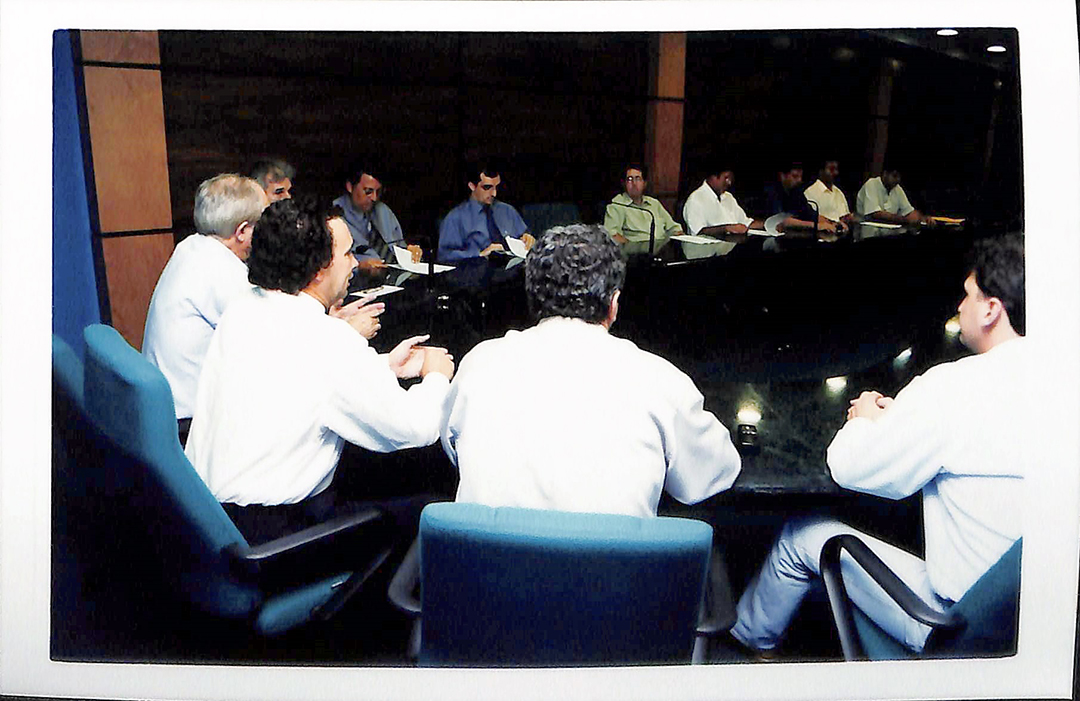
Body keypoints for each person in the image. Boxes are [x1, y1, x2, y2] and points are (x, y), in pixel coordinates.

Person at [730, 233, 1026, 656]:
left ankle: (743, 645)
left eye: (968, 295)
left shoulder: (955, 386)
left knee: (801, 535)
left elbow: (849, 466)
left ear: (991, 310)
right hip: (1030, 627)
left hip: (957, 626)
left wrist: (865, 422)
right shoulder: (1063, 383)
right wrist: (905, 421)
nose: (960, 306)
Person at [184, 197, 455, 545]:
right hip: (277, 536)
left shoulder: (242, 311)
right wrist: (435, 375)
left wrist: (383, 365)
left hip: (209, 521)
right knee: (433, 508)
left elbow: (290, 379)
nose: (355, 263)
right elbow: (414, 429)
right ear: (317, 270)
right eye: (347, 254)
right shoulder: (328, 340)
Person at [441, 223, 742, 518]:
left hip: (484, 553)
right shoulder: (661, 380)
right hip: (619, 554)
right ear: (614, 304)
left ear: (532, 297)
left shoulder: (479, 364)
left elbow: (453, 449)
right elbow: (712, 474)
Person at [142, 174, 269, 429]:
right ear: (242, 231)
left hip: (164, 412)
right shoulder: (221, 271)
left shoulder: (190, 247)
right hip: (188, 426)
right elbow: (273, 341)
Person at [437, 163, 535, 263]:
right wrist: (479, 254)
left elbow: (525, 236)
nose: (494, 193)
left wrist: (528, 239)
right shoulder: (455, 218)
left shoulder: (507, 211)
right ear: (472, 186)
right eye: (487, 187)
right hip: (476, 269)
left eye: (496, 187)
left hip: (515, 268)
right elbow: (444, 255)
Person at [333, 162, 422, 271]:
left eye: (378, 192)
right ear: (350, 187)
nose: (374, 198)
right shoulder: (334, 217)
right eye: (368, 191)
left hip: (397, 274)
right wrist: (359, 266)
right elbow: (330, 265)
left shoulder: (383, 211)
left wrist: (409, 251)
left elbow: (399, 245)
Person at [603, 164, 682, 248]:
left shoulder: (654, 204)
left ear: (644, 183)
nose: (634, 183)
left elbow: (674, 228)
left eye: (638, 179)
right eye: (630, 179)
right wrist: (632, 247)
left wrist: (679, 236)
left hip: (662, 250)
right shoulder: (617, 205)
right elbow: (612, 235)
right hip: (634, 253)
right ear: (624, 184)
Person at [762, 161, 840, 238]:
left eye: (800, 177)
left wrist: (833, 223)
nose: (799, 180)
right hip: (766, 237)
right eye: (795, 176)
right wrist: (817, 226)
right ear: (782, 176)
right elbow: (783, 222)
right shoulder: (770, 193)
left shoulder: (797, 193)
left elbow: (811, 214)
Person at [855, 165, 928, 224]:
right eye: (895, 176)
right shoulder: (871, 184)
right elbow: (875, 214)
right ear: (885, 174)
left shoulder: (897, 188)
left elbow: (909, 211)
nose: (898, 180)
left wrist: (922, 218)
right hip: (867, 232)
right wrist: (904, 219)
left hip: (889, 233)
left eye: (899, 177)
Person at [802, 159, 854, 228]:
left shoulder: (839, 192)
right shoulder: (811, 192)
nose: (835, 173)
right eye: (831, 170)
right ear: (821, 171)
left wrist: (848, 218)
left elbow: (843, 216)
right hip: (822, 233)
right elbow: (811, 218)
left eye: (836, 170)